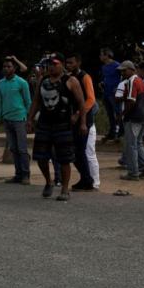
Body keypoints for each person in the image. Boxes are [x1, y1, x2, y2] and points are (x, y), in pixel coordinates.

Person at [27, 53, 86, 201]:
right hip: (44, 124)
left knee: (64, 159)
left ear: (61, 64)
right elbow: (36, 101)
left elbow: (81, 103)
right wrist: (30, 119)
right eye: (49, 64)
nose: (51, 67)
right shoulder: (43, 80)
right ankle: (49, 181)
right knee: (41, 157)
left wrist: (82, 121)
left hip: (63, 125)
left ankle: (65, 189)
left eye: (54, 64)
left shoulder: (71, 81)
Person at [65, 54, 100, 191]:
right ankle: (86, 178)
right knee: (75, 152)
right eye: (67, 62)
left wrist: (79, 114)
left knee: (82, 151)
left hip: (84, 120)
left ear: (78, 63)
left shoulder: (85, 77)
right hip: (74, 120)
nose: (68, 65)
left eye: (71, 62)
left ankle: (89, 180)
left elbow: (90, 99)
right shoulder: (68, 78)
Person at [0, 57, 32, 184]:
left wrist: (29, 120)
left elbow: (28, 102)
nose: (6, 69)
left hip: (20, 119)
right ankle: (18, 174)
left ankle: (26, 175)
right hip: (7, 119)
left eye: (9, 66)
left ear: (14, 68)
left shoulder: (21, 82)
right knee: (13, 149)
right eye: (4, 66)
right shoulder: (1, 83)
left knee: (22, 148)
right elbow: (0, 102)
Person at [119, 62, 144, 180]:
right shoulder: (139, 80)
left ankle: (133, 172)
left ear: (131, 69)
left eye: (124, 71)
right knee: (138, 144)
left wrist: (124, 114)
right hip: (142, 116)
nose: (122, 73)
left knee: (131, 145)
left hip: (134, 117)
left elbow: (131, 101)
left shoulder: (132, 81)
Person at [99, 48, 123, 141]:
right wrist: (102, 83)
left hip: (114, 93)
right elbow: (105, 78)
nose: (100, 57)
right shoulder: (103, 67)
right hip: (106, 92)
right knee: (110, 114)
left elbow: (123, 76)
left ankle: (121, 132)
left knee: (118, 112)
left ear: (106, 55)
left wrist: (119, 87)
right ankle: (112, 132)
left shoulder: (117, 65)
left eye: (101, 54)